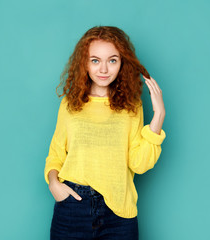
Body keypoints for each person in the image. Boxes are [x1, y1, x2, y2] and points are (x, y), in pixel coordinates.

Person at [44, 26, 166, 240]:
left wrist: (158, 116)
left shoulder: (132, 106)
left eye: (112, 60)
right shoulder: (70, 104)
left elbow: (139, 163)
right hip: (73, 206)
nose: (103, 69)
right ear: (84, 63)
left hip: (118, 212)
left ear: (122, 63)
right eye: (95, 60)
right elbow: (56, 154)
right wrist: (54, 183)